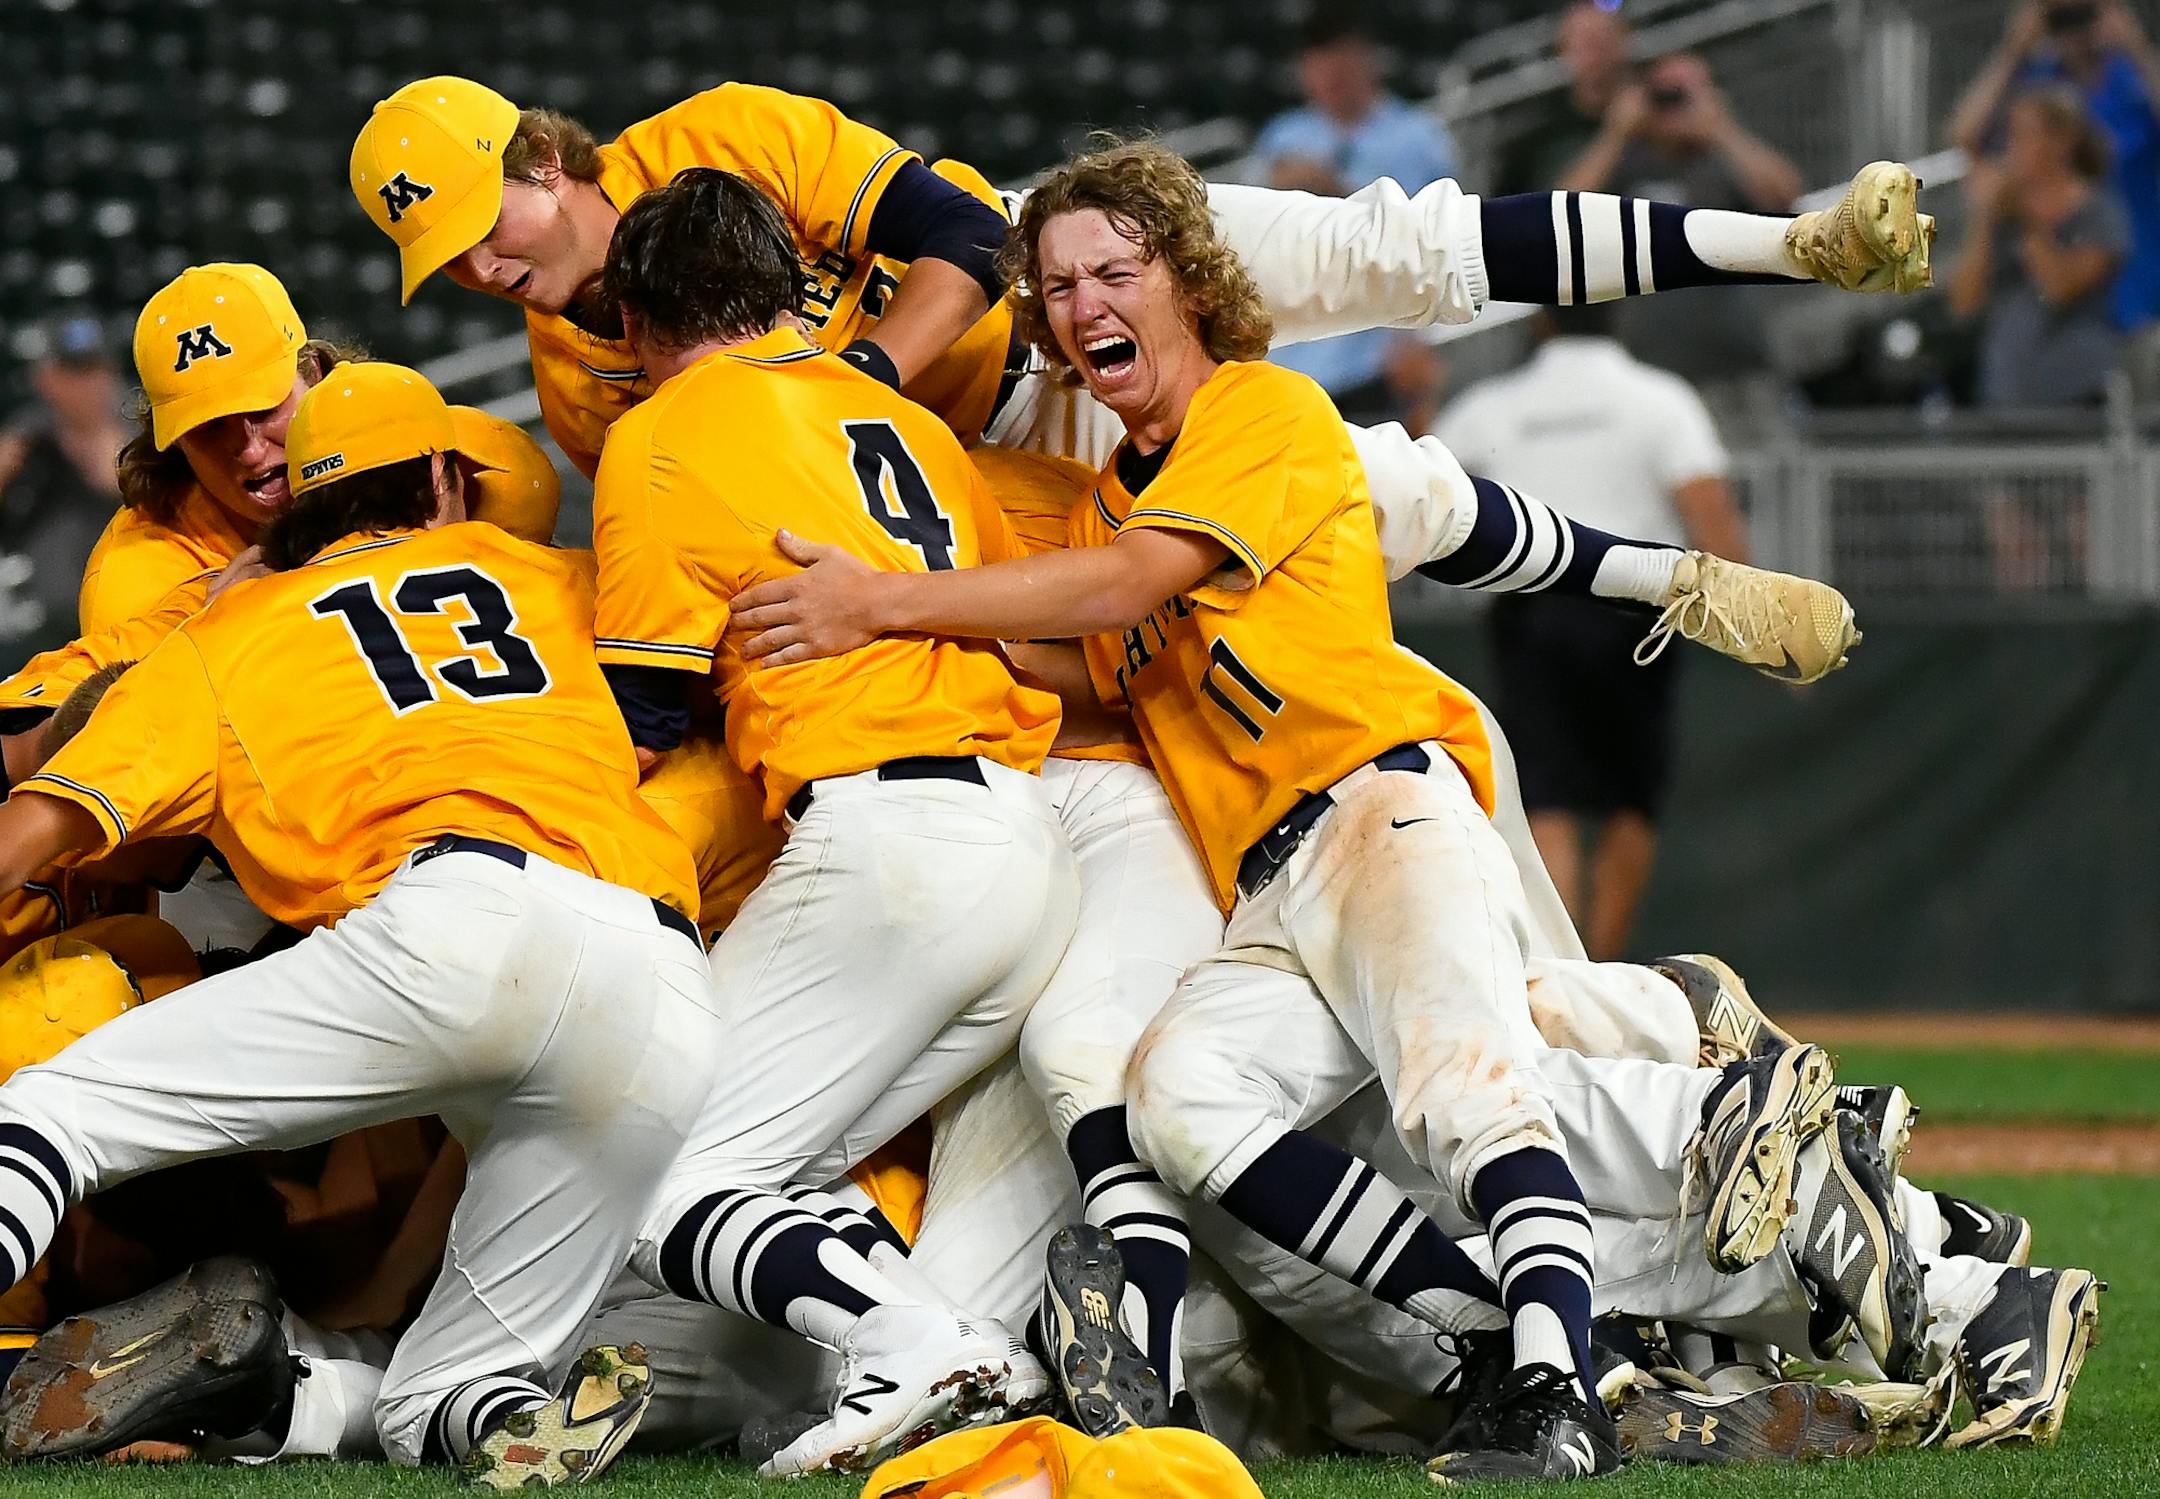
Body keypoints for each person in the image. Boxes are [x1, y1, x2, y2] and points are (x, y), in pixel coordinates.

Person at [725, 138, 1882, 1483]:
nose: (1090, 298)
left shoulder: (1258, 411)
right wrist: (880, 641)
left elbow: (1120, 589)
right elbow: (1090, 659)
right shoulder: (1112, 484)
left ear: (1190, 282)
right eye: (1060, 281)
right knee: (1179, 1094)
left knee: (1468, 1095)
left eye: (1119, 267)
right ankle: (1515, 1322)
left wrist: (879, 599)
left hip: (1378, 808)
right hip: (1271, 883)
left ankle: (1571, 1377)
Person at [347, 72, 1929, 664]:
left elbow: (961, 228)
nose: (483, 268)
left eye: (485, 224)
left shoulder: (721, 136)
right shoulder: (573, 382)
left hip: (1049, 265)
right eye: (449, 269)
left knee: (1395, 248)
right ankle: (1678, 587)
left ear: (543, 162)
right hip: (998, 449)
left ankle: (1782, 240)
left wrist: (858, 390)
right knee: (1377, 486)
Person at [0, 360, 717, 1485]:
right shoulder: (551, 573)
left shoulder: (231, 631)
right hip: (662, 974)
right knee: (441, 1383)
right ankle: (428, 1410)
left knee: (52, 1112)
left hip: (453, 927)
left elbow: (32, 833)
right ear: (438, 479)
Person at [589, 166, 1081, 1478]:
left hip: (888, 844)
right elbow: (1011, 624)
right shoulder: (892, 412)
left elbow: (641, 712)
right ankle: (940, 1348)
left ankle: (928, 1342)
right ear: (789, 290)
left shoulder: (661, 431)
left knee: (646, 1167)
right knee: (775, 1159)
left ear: (633, 323)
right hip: (1027, 842)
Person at [1436, 301, 1746, 959]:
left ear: (1539, 320)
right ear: (1620, 317)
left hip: (1531, 611)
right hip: (1635, 613)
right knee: (1629, 800)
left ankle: (1562, 971)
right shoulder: (1662, 401)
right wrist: (1753, 625)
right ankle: (1600, 970)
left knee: (1544, 795)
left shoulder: (1493, 405)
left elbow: (1423, 488)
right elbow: (1711, 515)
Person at [1251, 13, 1461, 423]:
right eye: (1319, 67)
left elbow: (1443, 239)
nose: (1332, 79)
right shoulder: (1284, 138)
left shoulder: (1419, 138)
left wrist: (1334, 188)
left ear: (1368, 62)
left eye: (1343, 66)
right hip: (1299, 364)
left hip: (1382, 355)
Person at [1560, 50, 1807, 383]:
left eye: (1683, 95)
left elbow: (1786, 199)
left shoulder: (1726, 160)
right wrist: (1615, 133)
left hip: (1738, 370)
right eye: (1664, 96)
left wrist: (1722, 129)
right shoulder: (1625, 165)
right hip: (1647, 372)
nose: (1674, 108)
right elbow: (1562, 211)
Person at [1950, 0, 2160, 328]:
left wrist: (2135, 45)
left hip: (2140, 284)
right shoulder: (2041, 86)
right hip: (2067, 293)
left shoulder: (2133, 79)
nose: (2074, 30)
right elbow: (1965, 133)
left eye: (2082, 14)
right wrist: (2012, 51)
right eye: (2061, 18)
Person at [1948, 84, 2129, 408]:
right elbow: (1964, 303)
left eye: (2024, 135)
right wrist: (1984, 220)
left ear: (2062, 142)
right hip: (2005, 394)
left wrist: (2022, 219)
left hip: (2077, 396)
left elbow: (2059, 288)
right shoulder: (2002, 215)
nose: (2011, 148)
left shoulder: (2101, 213)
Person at [0, 318, 126, 656]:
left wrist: (105, 456)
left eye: (92, 371)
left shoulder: (139, 434)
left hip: (119, 614)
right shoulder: (26, 439)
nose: (86, 386)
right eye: (72, 373)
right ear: (47, 380)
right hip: (36, 623)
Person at [1497, 1, 1636, 195]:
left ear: (1624, 42)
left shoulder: (1658, 99)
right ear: (1563, 50)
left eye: (1603, 42)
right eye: (1587, 45)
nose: (1596, 57)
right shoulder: (1542, 131)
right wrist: (1616, 133)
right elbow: (1562, 204)